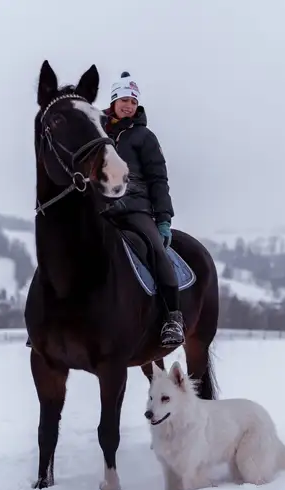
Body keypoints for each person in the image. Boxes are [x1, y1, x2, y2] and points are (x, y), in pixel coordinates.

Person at [100, 71, 184, 349]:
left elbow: (159, 179)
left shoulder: (144, 137)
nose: (128, 106)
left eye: (133, 102)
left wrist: (163, 219)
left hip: (136, 209)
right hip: (101, 208)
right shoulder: (97, 133)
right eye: (124, 100)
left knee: (154, 248)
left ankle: (173, 316)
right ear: (113, 101)